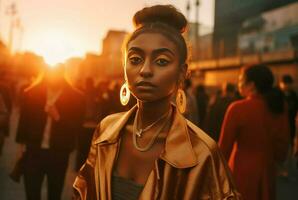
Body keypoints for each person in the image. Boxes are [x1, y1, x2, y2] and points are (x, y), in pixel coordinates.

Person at [73, 5, 241, 200]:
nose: (145, 70)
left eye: (161, 61)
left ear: (182, 72)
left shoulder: (202, 152)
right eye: (135, 59)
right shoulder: (106, 131)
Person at [219, 64, 290, 200]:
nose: (238, 84)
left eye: (240, 80)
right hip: (268, 172)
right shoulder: (279, 107)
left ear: (251, 85)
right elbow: (282, 151)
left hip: (240, 172)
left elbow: (223, 150)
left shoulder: (237, 109)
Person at [15, 65, 85, 200]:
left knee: (54, 194)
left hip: (58, 154)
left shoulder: (76, 97)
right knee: (32, 194)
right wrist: (20, 150)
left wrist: (58, 117)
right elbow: (23, 123)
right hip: (33, 152)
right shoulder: (32, 93)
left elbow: (77, 126)